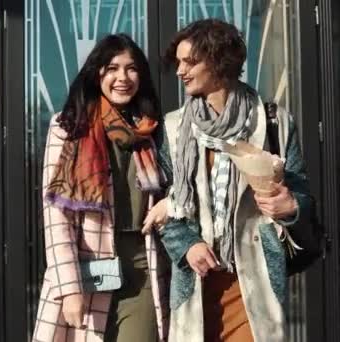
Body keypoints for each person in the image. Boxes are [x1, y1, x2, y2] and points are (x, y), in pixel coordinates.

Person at [146, 19, 314, 342]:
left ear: (219, 61)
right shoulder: (173, 128)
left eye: (190, 62)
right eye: (178, 62)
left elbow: (301, 193)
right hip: (196, 280)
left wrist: (290, 205)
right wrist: (186, 246)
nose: (180, 71)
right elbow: (162, 205)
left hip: (255, 282)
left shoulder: (273, 122)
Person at [32, 33, 172, 342]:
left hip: (143, 266)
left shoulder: (152, 130)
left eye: (131, 68)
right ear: (97, 74)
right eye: (112, 68)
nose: (123, 77)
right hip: (88, 269)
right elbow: (57, 219)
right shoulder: (68, 127)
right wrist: (69, 289)